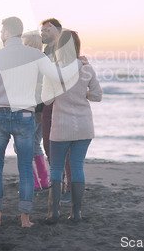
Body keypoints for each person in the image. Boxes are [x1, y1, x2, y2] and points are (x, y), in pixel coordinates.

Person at [0, 17, 84, 228]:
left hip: (0, 114)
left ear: (7, 33)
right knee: (26, 166)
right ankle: (25, 219)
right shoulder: (36, 55)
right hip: (25, 116)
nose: (0, 35)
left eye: (1, 32)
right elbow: (58, 76)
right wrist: (78, 62)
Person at [42, 30, 102, 222]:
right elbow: (97, 95)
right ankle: (76, 213)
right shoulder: (86, 68)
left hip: (61, 126)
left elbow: (47, 100)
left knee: (57, 167)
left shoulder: (52, 70)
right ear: (77, 46)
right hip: (84, 126)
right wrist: (82, 95)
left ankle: (53, 212)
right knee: (77, 166)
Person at [40, 18, 72, 203]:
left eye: (47, 30)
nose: (43, 33)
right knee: (48, 146)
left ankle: (68, 188)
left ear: (58, 31)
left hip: (62, 104)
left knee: (64, 148)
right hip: (47, 104)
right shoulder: (46, 52)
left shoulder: (65, 49)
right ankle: (56, 185)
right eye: (42, 30)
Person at [21, 32, 48, 191]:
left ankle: (34, 182)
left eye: (26, 44)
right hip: (41, 112)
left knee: (22, 147)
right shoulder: (44, 61)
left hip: (31, 111)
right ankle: (43, 180)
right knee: (35, 144)